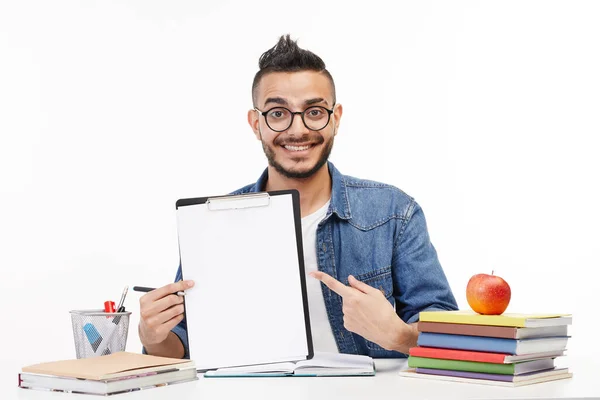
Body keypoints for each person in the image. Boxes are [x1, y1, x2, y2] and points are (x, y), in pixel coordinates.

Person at [138, 35, 458, 360]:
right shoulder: (213, 222)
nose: (298, 130)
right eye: (278, 114)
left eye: (314, 111)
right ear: (255, 124)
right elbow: (179, 346)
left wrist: (399, 336)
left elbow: (450, 335)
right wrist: (152, 335)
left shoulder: (394, 213)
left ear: (335, 119)